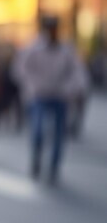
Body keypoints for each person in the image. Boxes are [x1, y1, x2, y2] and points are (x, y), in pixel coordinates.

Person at [13, 16, 88, 184]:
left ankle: (54, 167)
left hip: (60, 96)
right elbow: (20, 69)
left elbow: (78, 72)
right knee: (38, 130)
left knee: (59, 134)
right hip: (39, 95)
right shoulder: (34, 47)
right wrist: (32, 87)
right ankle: (36, 159)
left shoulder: (66, 49)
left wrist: (70, 89)